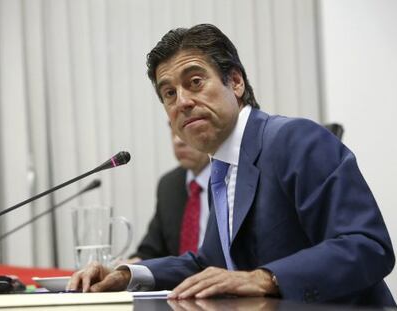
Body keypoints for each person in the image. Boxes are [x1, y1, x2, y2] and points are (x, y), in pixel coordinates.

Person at [68, 24, 395, 306]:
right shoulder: (222, 167)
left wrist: (266, 278)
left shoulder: (296, 140)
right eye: (169, 93)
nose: (182, 101)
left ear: (235, 82)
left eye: (195, 82)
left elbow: (367, 246)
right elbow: (209, 264)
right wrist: (127, 273)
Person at [127, 131, 210, 262]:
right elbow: (151, 252)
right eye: (173, 131)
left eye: (186, 127)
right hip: (179, 281)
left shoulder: (231, 181)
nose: (178, 141)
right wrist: (124, 270)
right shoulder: (169, 184)